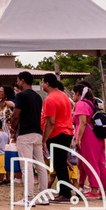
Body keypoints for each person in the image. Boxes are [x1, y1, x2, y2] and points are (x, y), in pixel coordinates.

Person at [10, 71, 45, 206]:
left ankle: (29, 197)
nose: (17, 83)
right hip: (37, 132)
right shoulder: (37, 96)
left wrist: (13, 128)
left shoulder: (21, 95)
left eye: (18, 80)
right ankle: (43, 196)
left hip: (25, 133)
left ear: (22, 81)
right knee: (40, 165)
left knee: (27, 166)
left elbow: (16, 115)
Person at [71, 79, 106, 198]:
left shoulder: (81, 104)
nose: (72, 96)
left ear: (78, 94)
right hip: (97, 136)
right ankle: (104, 190)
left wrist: (78, 140)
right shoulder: (92, 102)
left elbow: (82, 123)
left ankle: (94, 189)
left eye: (73, 93)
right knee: (100, 163)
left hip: (87, 136)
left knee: (90, 163)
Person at [41, 72, 75, 202]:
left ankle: (65, 193)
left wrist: (44, 139)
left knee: (59, 164)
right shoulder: (64, 96)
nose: (42, 85)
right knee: (60, 163)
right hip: (67, 132)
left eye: (43, 82)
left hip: (57, 133)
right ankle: (64, 191)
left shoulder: (49, 99)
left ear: (47, 83)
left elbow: (50, 122)